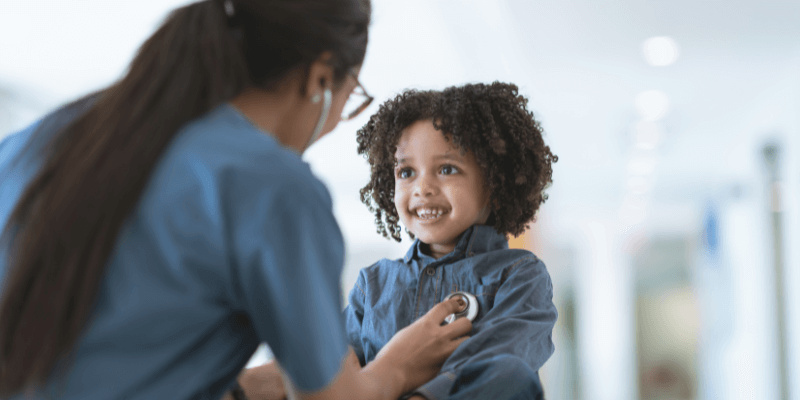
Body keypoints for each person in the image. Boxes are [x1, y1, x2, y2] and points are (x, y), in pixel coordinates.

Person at [0, 1, 472, 399]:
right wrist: (396, 367)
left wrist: (240, 388)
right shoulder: (273, 187)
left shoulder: (43, 139)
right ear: (320, 78)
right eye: (353, 100)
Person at [345, 82, 559, 399]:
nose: (422, 188)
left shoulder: (520, 274)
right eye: (406, 172)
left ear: (495, 184)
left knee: (512, 373)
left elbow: (506, 365)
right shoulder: (371, 284)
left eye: (447, 169)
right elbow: (336, 374)